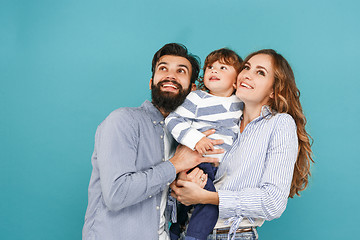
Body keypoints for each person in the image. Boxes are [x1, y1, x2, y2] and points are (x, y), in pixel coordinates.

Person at [82, 43, 223, 240]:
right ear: (151, 82)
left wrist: (184, 186)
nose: (170, 75)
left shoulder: (183, 138)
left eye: (180, 71)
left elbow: (164, 201)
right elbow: (117, 194)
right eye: (163, 68)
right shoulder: (122, 121)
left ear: (192, 89)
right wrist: (175, 165)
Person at [170, 49, 313, 240]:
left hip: (231, 234)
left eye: (260, 72)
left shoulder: (279, 123)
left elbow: (273, 202)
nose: (247, 74)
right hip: (184, 231)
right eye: (246, 67)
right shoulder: (221, 118)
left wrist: (207, 198)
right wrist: (185, 180)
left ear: (273, 90)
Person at [165, 48, 243, 240]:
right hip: (198, 161)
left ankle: (176, 231)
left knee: (192, 203)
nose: (214, 71)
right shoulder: (198, 98)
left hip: (220, 168)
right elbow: (173, 120)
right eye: (210, 67)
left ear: (236, 81)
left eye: (222, 67)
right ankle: (193, 236)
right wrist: (195, 139)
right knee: (208, 203)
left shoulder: (241, 103)